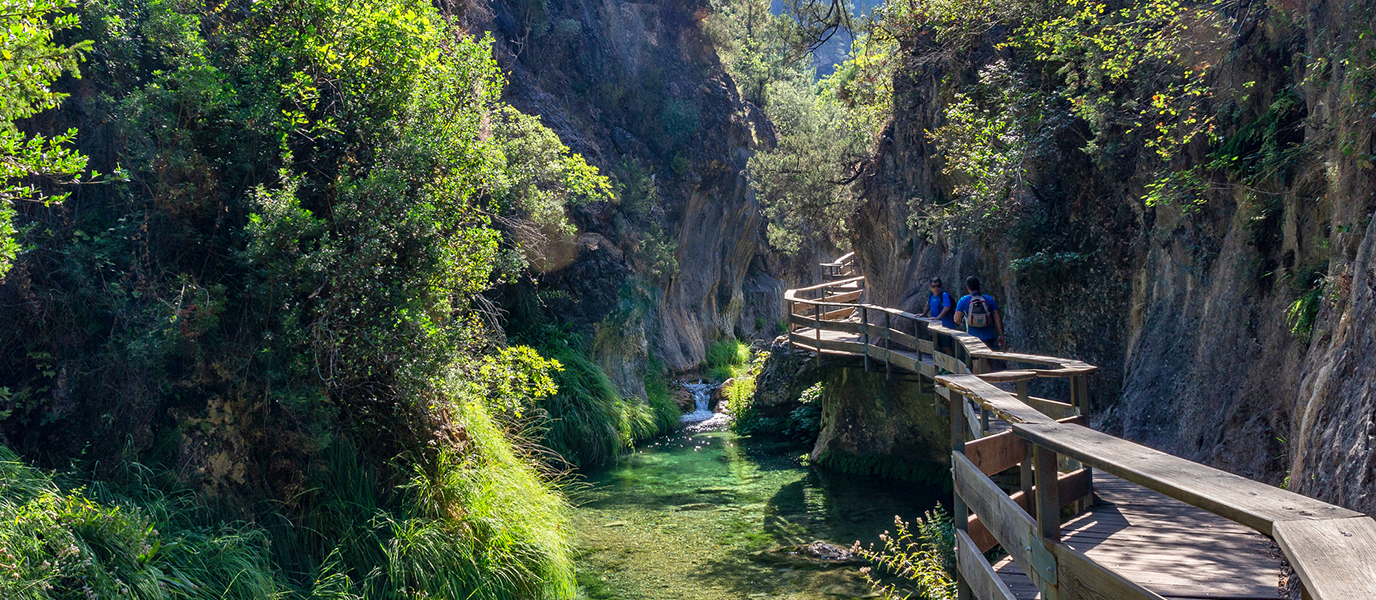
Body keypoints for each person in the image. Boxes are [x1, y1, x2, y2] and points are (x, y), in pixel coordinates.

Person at [954, 276, 1006, 351]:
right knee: (988, 358)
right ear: (979, 286)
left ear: (968, 287)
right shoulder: (989, 299)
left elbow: (956, 319)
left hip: (972, 336)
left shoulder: (963, 300)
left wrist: (965, 322)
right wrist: (1001, 335)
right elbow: (997, 318)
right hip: (988, 335)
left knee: (975, 360)